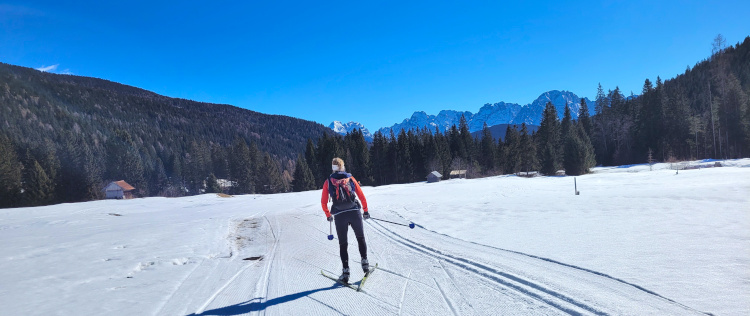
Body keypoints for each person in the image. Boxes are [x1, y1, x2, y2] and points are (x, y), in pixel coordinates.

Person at [321, 157, 370, 283]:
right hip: (354, 212)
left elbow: (323, 202)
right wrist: (365, 211)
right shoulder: (350, 178)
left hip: (340, 215)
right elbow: (361, 195)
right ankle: (365, 263)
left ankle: (346, 271)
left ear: (333, 168)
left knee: (343, 244)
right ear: (342, 167)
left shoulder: (328, 181)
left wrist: (328, 215)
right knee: (360, 237)